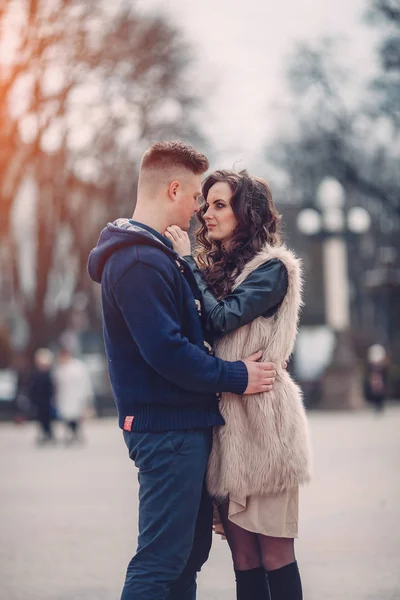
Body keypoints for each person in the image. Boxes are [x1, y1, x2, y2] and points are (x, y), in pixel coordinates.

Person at [87, 142, 279, 600]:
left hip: (183, 425)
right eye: (196, 196)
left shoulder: (157, 255)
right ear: (174, 188)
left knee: (187, 555)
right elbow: (168, 352)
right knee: (161, 560)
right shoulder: (137, 260)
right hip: (166, 429)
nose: (198, 209)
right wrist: (236, 376)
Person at [166, 169, 312, 600]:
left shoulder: (272, 268)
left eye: (219, 205)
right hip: (227, 424)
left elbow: (220, 319)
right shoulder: (216, 270)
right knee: (243, 559)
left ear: (245, 212)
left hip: (265, 424)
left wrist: (186, 263)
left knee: (275, 555)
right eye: (206, 204)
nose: (206, 214)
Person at [53, 346, 94, 444]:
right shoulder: (59, 368)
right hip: (64, 398)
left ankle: (76, 434)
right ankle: (71, 434)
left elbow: (85, 382)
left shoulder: (78, 367)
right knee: (67, 417)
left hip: (77, 397)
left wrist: (86, 396)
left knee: (76, 417)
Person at [29, 348, 55, 444]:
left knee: (47, 418)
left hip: (47, 400)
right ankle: (44, 433)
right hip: (39, 400)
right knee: (41, 418)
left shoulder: (49, 374)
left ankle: (49, 434)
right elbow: (32, 388)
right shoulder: (36, 374)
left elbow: (52, 388)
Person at [364, 344, 389, 412]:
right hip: (375, 378)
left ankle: (380, 406)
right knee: (375, 392)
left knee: (380, 392)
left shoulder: (382, 366)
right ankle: (377, 406)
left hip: (380, 379)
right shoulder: (372, 366)